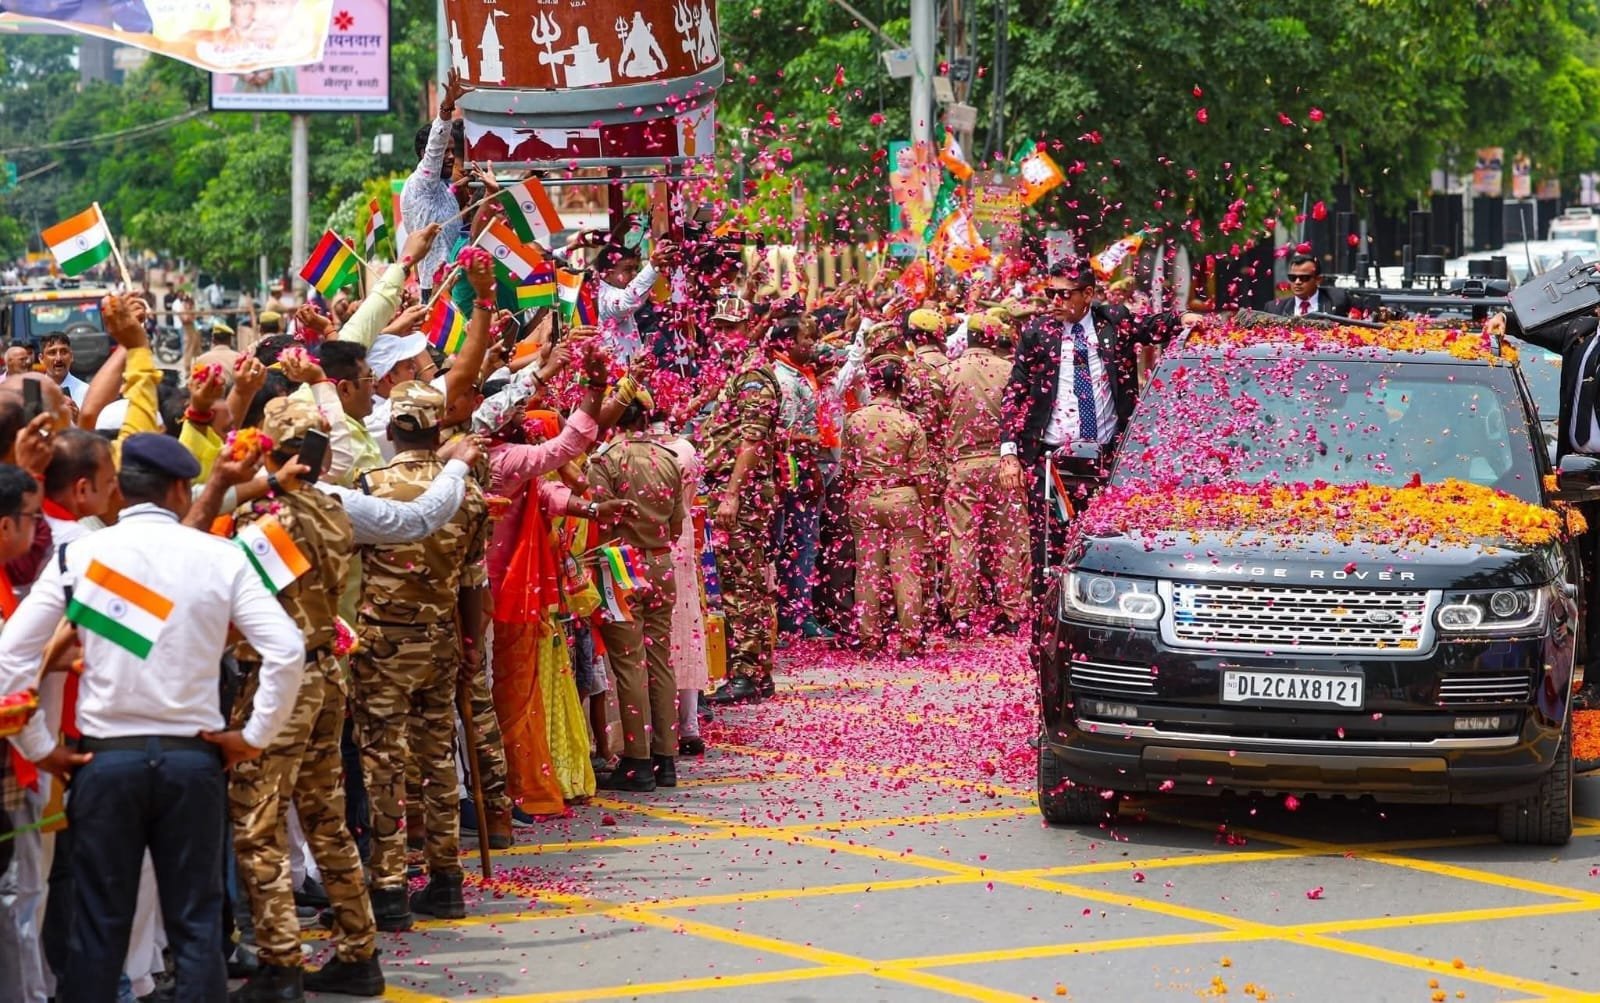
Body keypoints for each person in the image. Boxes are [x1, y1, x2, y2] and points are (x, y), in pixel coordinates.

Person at [0, 433, 305, 1003]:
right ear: (178, 489)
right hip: (193, 759)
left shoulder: (81, 555)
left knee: (98, 930)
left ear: (121, 489)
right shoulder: (221, 556)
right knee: (195, 928)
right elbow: (286, 650)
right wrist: (253, 736)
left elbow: (12, 656)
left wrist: (40, 746)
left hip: (104, 761)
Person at [228, 399, 384, 1002]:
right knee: (325, 816)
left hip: (280, 679)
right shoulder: (329, 508)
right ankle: (358, 949)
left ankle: (281, 962)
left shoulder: (269, 520)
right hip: (325, 673)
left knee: (257, 820)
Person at [350, 381, 488, 932]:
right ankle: (446, 878)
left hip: (383, 643)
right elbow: (475, 581)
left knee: (384, 764)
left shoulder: (371, 485)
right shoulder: (468, 494)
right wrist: (474, 643)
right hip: (441, 639)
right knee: (437, 760)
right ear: (437, 430)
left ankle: (388, 887)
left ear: (392, 430)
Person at [999, 257, 1178, 598]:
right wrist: (1009, 452)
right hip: (1052, 462)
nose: (1055, 302)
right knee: (1049, 552)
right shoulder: (1037, 334)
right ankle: (1045, 629)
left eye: (1064, 295)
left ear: (1088, 294)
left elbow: (1153, 327)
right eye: (1051, 293)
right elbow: (1015, 393)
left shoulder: (1114, 321)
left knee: (1107, 549)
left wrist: (1184, 319)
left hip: (1105, 460)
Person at [701, 315, 812, 704]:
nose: (723, 335)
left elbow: (752, 438)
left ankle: (746, 672)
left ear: (751, 332)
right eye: (719, 328)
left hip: (741, 492)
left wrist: (731, 493)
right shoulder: (742, 373)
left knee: (740, 584)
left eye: (732, 328)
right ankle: (757, 671)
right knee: (746, 580)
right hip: (739, 488)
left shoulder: (753, 378)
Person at [588, 386, 686, 791]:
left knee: (629, 664)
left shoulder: (607, 460)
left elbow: (598, 521)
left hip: (622, 564)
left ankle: (638, 761)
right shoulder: (668, 459)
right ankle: (665, 758)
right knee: (660, 661)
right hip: (662, 562)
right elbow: (677, 524)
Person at [840, 357, 933, 657]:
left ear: (873, 385)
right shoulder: (910, 422)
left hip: (864, 497)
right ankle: (910, 641)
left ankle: (870, 640)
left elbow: (846, 468)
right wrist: (928, 509)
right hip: (902, 497)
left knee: (867, 572)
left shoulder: (854, 421)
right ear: (900, 386)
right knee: (906, 572)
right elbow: (921, 474)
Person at [943, 311, 1029, 634]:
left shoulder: (948, 373)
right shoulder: (1009, 371)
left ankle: (962, 614)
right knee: (1008, 540)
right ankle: (1012, 613)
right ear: (994, 339)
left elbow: (938, 421)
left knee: (962, 540)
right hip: (1004, 464)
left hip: (963, 465)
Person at [399, 72, 469, 300]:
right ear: (425, 156)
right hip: (437, 290)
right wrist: (447, 108)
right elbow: (435, 148)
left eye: (453, 151)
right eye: (445, 151)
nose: (450, 157)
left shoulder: (445, 188)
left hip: (455, 284)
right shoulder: (421, 183)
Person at [592, 240, 675, 365]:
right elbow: (626, 303)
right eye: (628, 269)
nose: (634, 274)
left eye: (635, 269)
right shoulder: (605, 297)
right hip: (617, 378)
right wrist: (653, 266)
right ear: (607, 275)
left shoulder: (615, 290)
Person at [1265, 253, 1352, 317]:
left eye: (1304, 278)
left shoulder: (1338, 300)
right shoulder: (1274, 309)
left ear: (1318, 280)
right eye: (1292, 277)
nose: (1297, 282)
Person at [37, 334, 87, 407]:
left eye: (64, 352)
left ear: (71, 356)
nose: (58, 358)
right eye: (52, 353)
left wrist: (77, 418)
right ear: (41, 358)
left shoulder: (87, 392)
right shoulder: (33, 393)